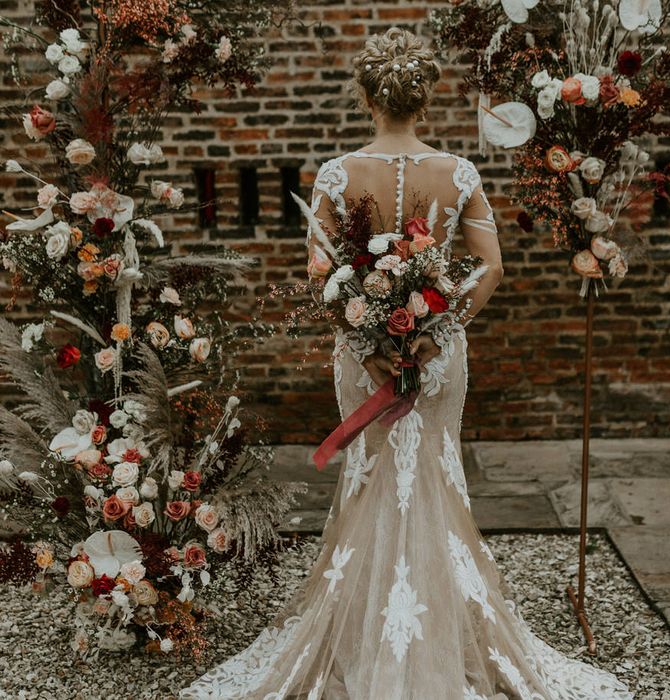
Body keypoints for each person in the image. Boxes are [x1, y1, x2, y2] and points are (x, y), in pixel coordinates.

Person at [180, 27, 634, 700]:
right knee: (432, 475)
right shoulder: (458, 173)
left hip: (360, 353)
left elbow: (320, 274)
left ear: (366, 96)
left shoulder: (336, 173)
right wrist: (435, 329)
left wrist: (366, 337)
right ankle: (435, 633)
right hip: (439, 352)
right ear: (426, 99)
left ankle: (367, 634)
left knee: (372, 476)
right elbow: (491, 267)